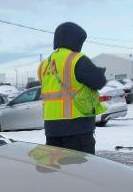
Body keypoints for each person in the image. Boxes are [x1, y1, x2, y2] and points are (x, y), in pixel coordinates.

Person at [38, 22, 107, 154]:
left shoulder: (44, 64)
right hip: (77, 129)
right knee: (80, 171)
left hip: (51, 130)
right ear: (75, 39)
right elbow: (99, 81)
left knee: (59, 171)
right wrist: (98, 72)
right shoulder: (76, 59)